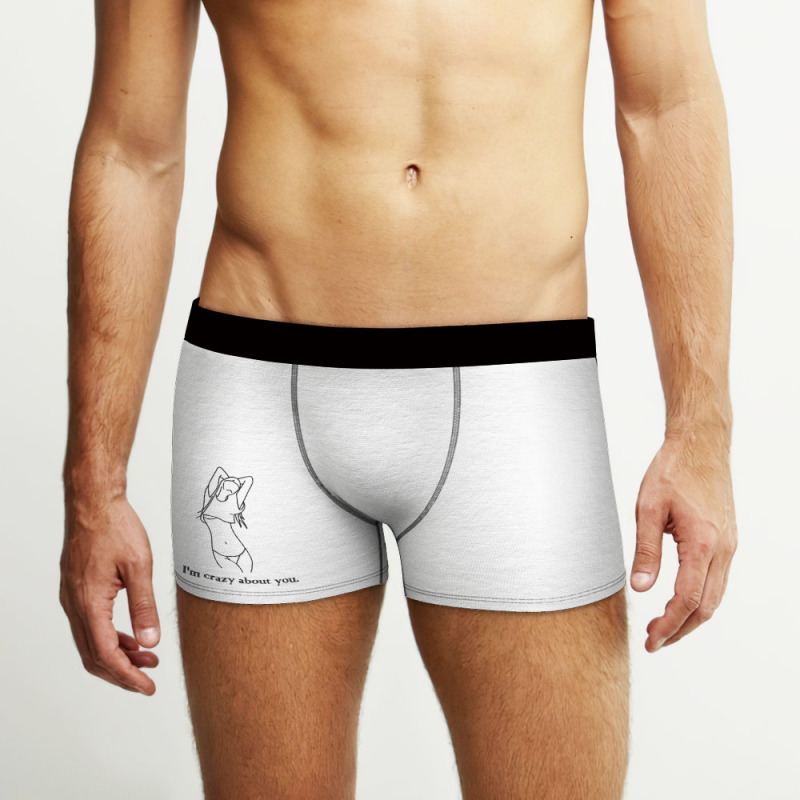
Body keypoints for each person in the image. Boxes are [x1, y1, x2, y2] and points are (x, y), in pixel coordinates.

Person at [59, 0, 738, 797]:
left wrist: (701, 430)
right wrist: (93, 488)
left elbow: (667, 104)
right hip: (261, 395)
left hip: (519, 399)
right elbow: (131, 149)